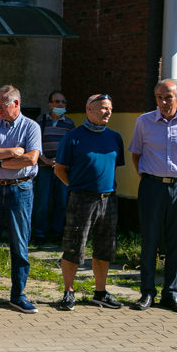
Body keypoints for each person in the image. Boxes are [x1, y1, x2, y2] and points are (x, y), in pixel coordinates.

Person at [129, 79, 177, 314]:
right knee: (150, 240)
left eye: (168, 97)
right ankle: (147, 292)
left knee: (176, 241)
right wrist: (152, 178)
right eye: (159, 97)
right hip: (152, 186)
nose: (163, 102)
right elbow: (136, 155)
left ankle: (171, 293)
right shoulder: (144, 122)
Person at [53, 94, 125, 311]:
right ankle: (68, 291)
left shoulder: (115, 137)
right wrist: (76, 186)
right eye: (103, 108)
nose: (108, 112)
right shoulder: (73, 137)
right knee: (74, 247)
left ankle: (100, 292)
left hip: (108, 199)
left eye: (110, 108)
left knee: (105, 248)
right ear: (89, 110)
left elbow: (114, 167)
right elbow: (59, 169)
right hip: (81, 199)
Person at [0, 85, 42, 314]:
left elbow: (32, 158)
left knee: (19, 246)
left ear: (16, 104)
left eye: (2, 106)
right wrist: (12, 151)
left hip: (20, 190)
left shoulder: (31, 127)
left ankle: (18, 296)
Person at [32, 91, 74, 242]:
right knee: (41, 203)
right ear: (50, 104)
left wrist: (61, 162)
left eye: (63, 102)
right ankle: (39, 234)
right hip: (44, 168)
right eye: (57, 102)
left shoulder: (69, 124)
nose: (61, 104)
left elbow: (71, 146)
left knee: (62, 202)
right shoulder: (41, 121)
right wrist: (45, 160)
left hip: (62, 169)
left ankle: (57, 233)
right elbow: (34, 144)